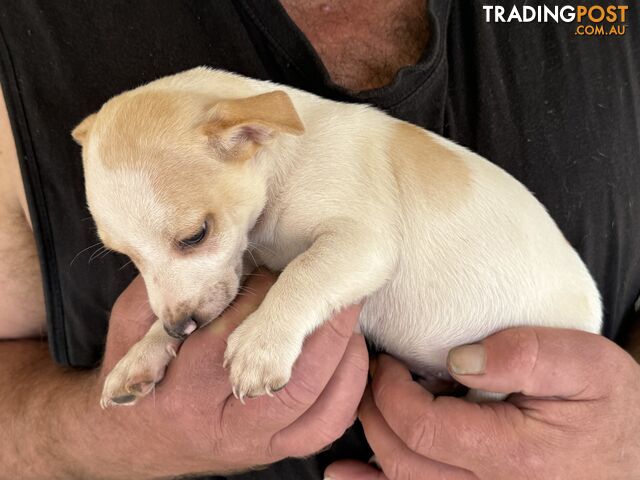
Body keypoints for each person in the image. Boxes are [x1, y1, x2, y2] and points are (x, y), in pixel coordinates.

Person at [1, 1, 639, 478]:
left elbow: (364, 250)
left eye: (192, 235)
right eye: (131, 256)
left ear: (253, 134)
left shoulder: (326, 150)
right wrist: (122, 415)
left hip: (548, 326)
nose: (173, 299)